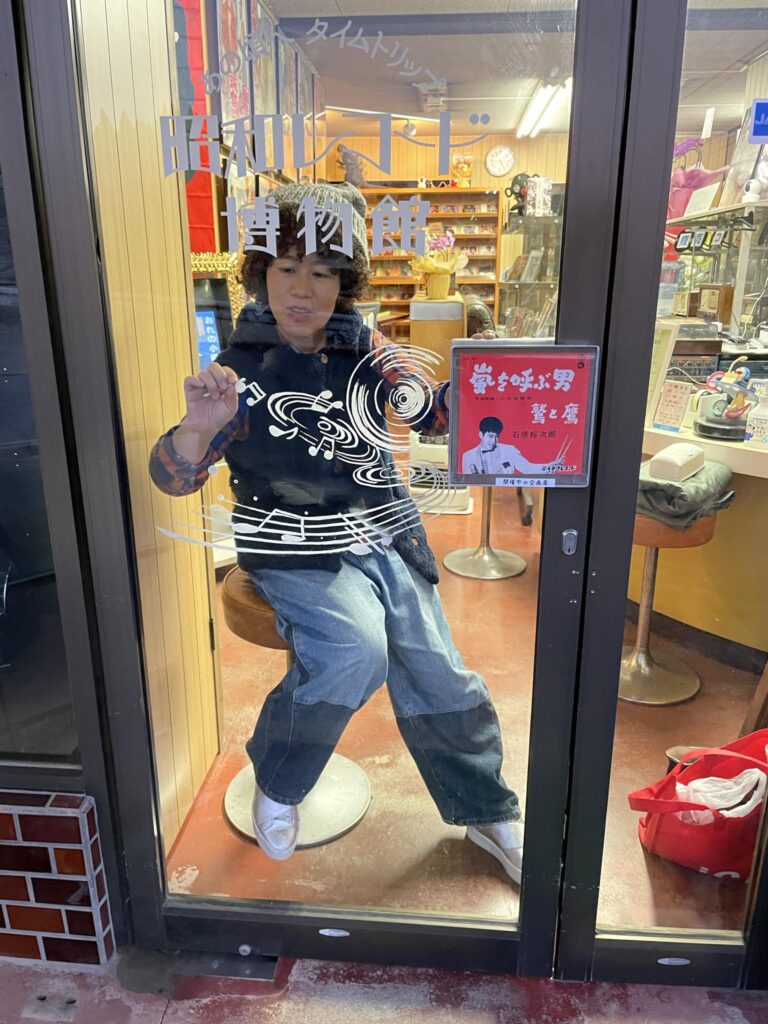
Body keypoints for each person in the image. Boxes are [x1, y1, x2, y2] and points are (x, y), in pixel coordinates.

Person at [149, 182, 524, 883]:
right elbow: (173, 478)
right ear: (260, 273)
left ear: (345, 282)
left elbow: (432, 414)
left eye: (323, 271)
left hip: (385, 535)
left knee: (438, 667)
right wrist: (197, 430)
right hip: (292, 547)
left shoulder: (368, 347)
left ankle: (485, 808)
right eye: (287, 267)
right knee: (355, 650)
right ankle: (280, 778)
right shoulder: (239, 368)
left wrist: (486, 383)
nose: (303, 288)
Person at [462, 415, 562, 476]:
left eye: (496, 436)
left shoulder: (509, 450)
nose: (493, 441)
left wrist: (550, 467)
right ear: (481, 435)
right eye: (490, 436)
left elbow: (528, 468)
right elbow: (467, 482)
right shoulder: (468, 456)